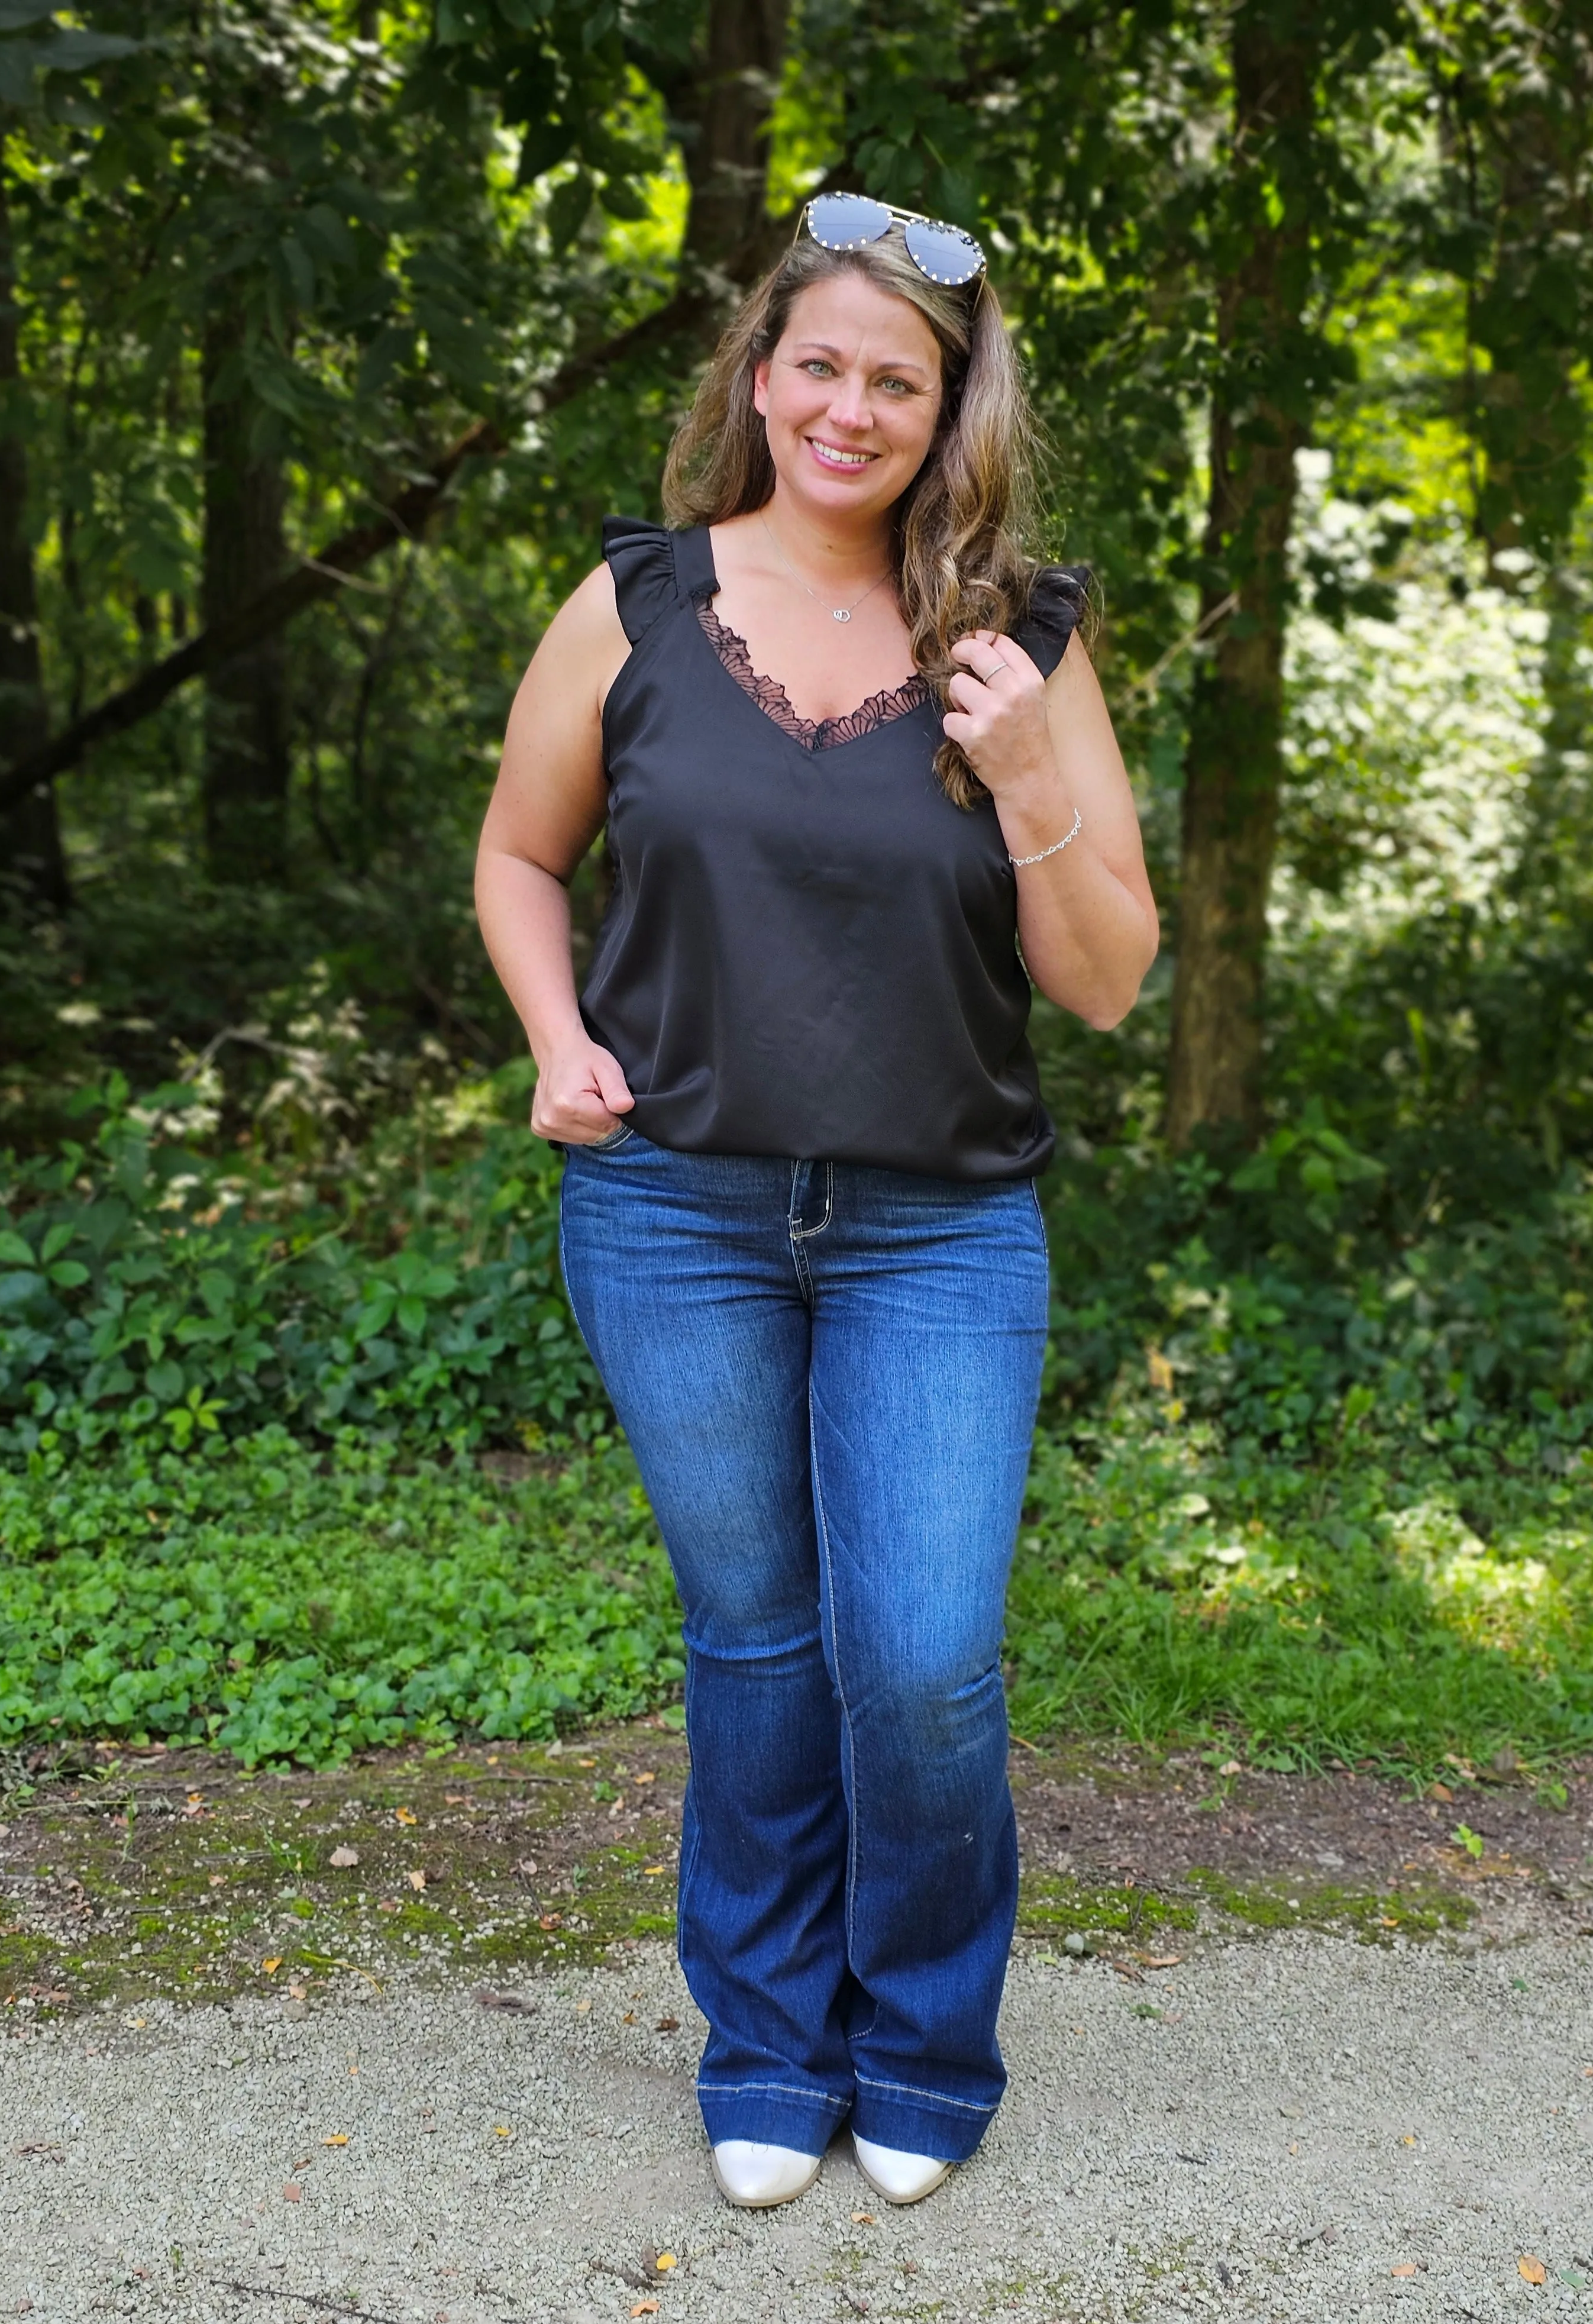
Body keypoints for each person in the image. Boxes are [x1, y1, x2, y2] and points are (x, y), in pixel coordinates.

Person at [474, 192, 1156, 2211]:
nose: (850, 406)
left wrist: (1030, 765)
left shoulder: (1021, 639)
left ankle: (924, 2041)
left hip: (939, 1229)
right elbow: (521, 860)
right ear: (759, 376)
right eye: (820, 364)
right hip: (673, 1211)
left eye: (899, 377)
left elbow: (1110, 980)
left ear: (950, 409)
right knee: (758, 1643)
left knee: (923, 1654)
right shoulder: (641, 603)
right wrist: (551, 1035)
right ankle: (770, 2042)